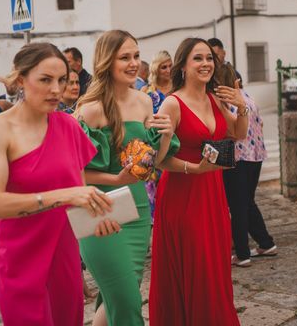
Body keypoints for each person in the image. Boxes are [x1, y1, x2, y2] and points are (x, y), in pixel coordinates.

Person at [0, 42, 120, 325]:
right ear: (21, 80)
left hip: (64, 255)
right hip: (18, 256)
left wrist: (98, 221)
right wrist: (64, 195)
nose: (57, 89)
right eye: (45, 79)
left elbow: (80, 196)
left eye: (62, 80)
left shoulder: (68, 126)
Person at [75, 30, 179, 326]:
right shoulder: (89, 110)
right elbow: (77, 172)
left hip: (137, 212)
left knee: (115, 300)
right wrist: (116, 179)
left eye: (136, 55)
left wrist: (167, 135)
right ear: (107, 62)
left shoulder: (144, 102)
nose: (134, 63)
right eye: (125, 57)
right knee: (128, 303)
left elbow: (152, 163)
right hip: (99, 213)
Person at [149, 37, 249, 326]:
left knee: (215, 267)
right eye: (198, 58)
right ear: (183, 65)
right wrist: (194, 168)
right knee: (196, 268)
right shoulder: (172, 104)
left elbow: (238, 134)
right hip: (183, 195)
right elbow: (159, 159)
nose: (205, 64)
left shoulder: (216, 99)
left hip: (213, 194)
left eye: (209, 58)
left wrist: (241, 107)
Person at [220, 65, 276, 267]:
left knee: (238, 207)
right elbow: (260, 124)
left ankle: (242, 254)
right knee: (248, 203)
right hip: (256, 157)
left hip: (237, 159)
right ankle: (266, 243)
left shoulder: (229, 102)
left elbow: (231, 131)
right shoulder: (249, 98)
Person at [141, 51, 173, 218]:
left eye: (170, 66)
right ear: (156, 69)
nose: (168, 70)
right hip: (153, 145)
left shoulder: (178, 88)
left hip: (175, 144)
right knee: (154, 194)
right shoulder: (147, 90)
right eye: (163, 67)